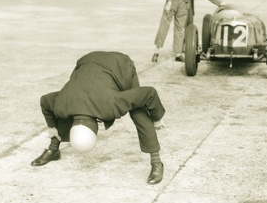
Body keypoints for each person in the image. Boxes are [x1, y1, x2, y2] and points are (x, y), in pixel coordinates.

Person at [31, 51, 166, 185]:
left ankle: (156, 162)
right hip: (86, 61)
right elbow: (45, 101)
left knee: (137, 110)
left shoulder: (112, 105)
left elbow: (149, 93)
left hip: (119, 63)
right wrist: (52, 128)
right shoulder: (62, 104)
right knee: (67, 106)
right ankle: (53, 150)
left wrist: (157, 118)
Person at [152, 0, 227, 63]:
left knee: (180, 29)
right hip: (174, 1)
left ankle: (178, 54)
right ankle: (156, 52)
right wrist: (169, 2)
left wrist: (223, 3)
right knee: (164, 26)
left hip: (184, 6)